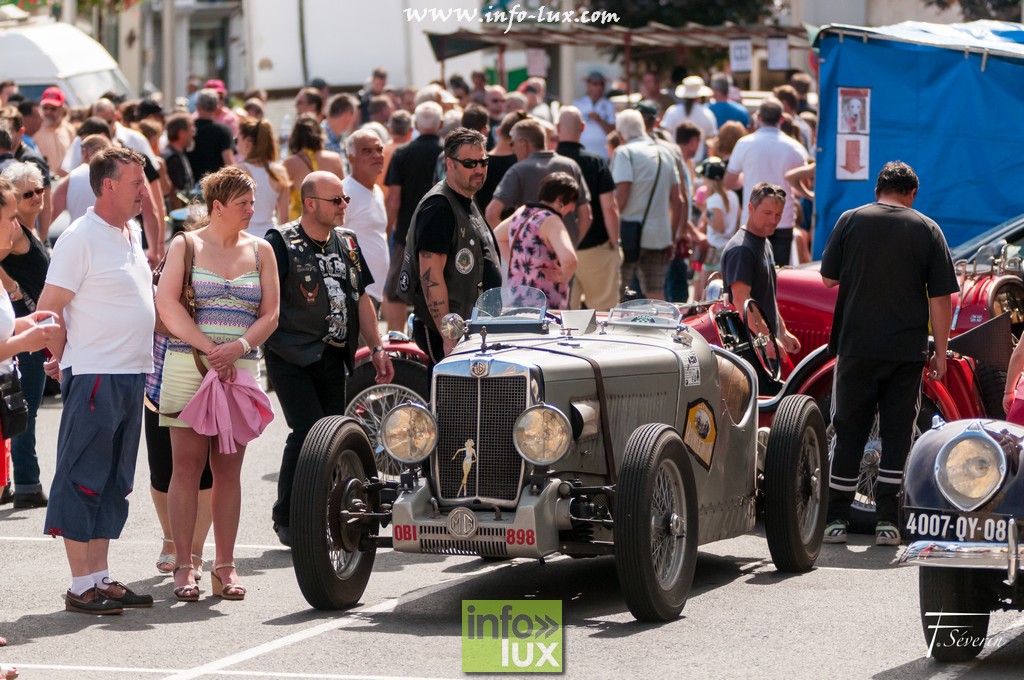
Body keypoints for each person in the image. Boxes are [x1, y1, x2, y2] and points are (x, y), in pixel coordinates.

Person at [38, 147, 156, 614]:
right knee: (82, 476)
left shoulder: (131, 232)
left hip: (131, 372)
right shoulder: (79, 237)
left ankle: (101, 577)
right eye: (136, 184)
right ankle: (80, 584)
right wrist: (62, 356)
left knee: (114, 481)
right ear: (108, 185)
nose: (144, 192)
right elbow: (50, 307)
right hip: (95, 374)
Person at [156, 167, 279, 601]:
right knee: (186, 467)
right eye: (243, 203)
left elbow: (271, 315)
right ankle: (184, 566)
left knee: (229, 470)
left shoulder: (262, 249)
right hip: (189, 364)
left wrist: (238, 347)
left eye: (252, 201)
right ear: (218, 206)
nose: (251, 209)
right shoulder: (185, 244)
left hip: (240, 371)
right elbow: (166, 304)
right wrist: (211, 349)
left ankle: (225, 565)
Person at [820, 161, 959, 546]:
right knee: (898, 435)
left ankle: (835, 521)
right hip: (905, 351)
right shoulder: (927, 228)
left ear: (877, 188)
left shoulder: (850, 220)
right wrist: (941, 354)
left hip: (855, 347)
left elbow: (829, 278)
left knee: (848, 431)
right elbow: (941, 298)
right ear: (912, 193)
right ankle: (887, 523)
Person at [264, 171, 394, 547]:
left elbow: (362, 298)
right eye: (335, 200)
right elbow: (267, 299)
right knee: (307, 434)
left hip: (335, 356)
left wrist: (378, 346)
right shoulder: (281, 242)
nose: (343, 206)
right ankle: (288, 517)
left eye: (344, 199)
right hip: (291, 354)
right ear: (310, 204)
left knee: (332, 437)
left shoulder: (348, 242)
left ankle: (321, 510)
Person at [146, 204, 213, 580]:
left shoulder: (230, 265)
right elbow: (155, 318)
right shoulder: (169, 264)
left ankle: (197, 550)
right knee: (162, 468)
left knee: (203, 470)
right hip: (160, 376)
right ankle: (172, 538)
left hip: (212, 374)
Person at [400, 128, 501, 367]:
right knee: (450, 400)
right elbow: (430, 277)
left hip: (472, 327)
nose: (478, 169)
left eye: (483, 161)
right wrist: (449, 334)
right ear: (450, 164)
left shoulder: (466, 198)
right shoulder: (439, 208)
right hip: (449, 332)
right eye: (469, 163)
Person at [0, 163, 51, 509]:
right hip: (17, 341)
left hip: (18, 330)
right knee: (24, 410)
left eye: (39, 190)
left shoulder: (23, 229)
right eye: (26, 194)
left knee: (20, 409)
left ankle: (15, 483)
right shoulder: (15, 235)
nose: (36, 198)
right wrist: (13, 287)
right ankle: (27, 483)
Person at [724, 98, 810, 266]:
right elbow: (803, 186)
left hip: (755, 217)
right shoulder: (795, 147)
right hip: (782, 218)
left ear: (758, 117)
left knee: (750, 271)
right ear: (781, 119)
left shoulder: (744, 143)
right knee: (778, 274)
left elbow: (729, 182)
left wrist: (747, 180)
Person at [381, 102, 444, 330]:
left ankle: (397, 339)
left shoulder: (402, 153)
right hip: (441, 231)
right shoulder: (448, 152)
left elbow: (394, 198)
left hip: (407, 231)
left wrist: (388, 230)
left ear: (416, 124)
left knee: (397, 289)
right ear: (441, 124)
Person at [721, 182, 801, 356]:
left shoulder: (765, 242)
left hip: (762, 342)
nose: (774, 220)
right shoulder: (741, 249)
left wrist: (782, 332)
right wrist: (766, 339)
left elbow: (767, 297)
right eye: (767, 213)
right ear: (750, 208)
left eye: (778, 214)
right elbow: (742, 300)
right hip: (749, 348)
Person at [610, 109, 681, 301]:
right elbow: (678, 200)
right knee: (655, 293)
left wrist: (611, 230)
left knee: (620, 291)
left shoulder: (625, 153)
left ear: (620, 133)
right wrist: (671, 237)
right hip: (659, 236)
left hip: (628, 234)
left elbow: (622, 195)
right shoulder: (665, 153)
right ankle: (660, 329)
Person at [485, 118, 592, 244]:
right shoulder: (570, 165)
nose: (512, 149)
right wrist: (573, 243)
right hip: (564, 253)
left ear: (523, 143)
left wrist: (515, 246)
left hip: (530, 259)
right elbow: (586, 215)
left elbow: (492, 213)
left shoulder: (517, 170)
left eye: (512, 143)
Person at [555, 106, 620, 311]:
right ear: (582, 127)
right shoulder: (595, 161)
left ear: (558, 128)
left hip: (559, 249)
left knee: (565, 318)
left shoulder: (550, 162)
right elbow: (609, 207)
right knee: (603, 315)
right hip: (596, 248)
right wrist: (614, 243)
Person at [494, 172, 579, 310]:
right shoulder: (551, 220)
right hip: (544, 305)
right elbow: (570, 260)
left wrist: (519, 263)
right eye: (572, 202)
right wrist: (562, 277)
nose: (573, 208)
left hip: (515, 299)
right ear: (560, 200)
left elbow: (497, 236)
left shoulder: (522, 211)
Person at [342, 129, 389, 305]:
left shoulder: (376, 191)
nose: (377, 155)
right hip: (355, 295)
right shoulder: (345, 193)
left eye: (379, 149)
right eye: (367, 151)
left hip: (373, 294)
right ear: (351, 158)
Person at [235, 117, 290, 239]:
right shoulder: (280, 171)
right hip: (271, 238)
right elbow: (284, 217)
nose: (236, 145)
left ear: (246, 143)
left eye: (236, 140)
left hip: (243, 238)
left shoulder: (237, 171)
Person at [283, 113, 345, 221]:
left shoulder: (289, 164)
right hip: (329, 220)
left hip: (299, 223)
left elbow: (284, 202)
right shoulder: (335, 159)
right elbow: (342, 195)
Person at [694, 157, 740, 300]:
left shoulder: (714, 200)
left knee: (707, 294)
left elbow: (720, 227)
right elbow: (737, 222)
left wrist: (705, 216)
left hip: (715, 250)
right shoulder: (732, 195)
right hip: (730, 247)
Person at [51, 134, 111, 223]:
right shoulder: (118, 177)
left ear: (85, 152)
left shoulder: (73, 176)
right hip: (111, 234)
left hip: (78, 234)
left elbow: (51, 213)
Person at [661, 76, 718, 162]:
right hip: (697, 163)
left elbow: (665, 136)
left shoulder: (672, 111)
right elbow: (711, 142)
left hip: (675, 161)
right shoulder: (707, 114)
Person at [187, 89, 235, 183]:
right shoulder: (224, 131)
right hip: (215, 186)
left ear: (198, 107)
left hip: (190, 186)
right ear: (216, 107)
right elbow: (228, 162)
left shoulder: (188, 130)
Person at [572, 72, 616, 159]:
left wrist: (599, 120)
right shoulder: (577, 104)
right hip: (582, 153)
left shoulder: (609, 105)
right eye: (595, 84)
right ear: (588, 85)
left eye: (601, 84)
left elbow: (613, 131)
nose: (599, 87)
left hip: (604, 154)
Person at [33, 87, 75, 174]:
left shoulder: (69, 129)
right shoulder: (35, 130)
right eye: (45, 108)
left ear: (62, 108)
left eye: (53, 109)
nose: (48, 112)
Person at [161, 113, 196, 210]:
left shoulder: (179, 153)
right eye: (191, 130)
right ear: (181, 133)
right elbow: (174, 193)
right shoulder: (173, 158)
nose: (193, 134)